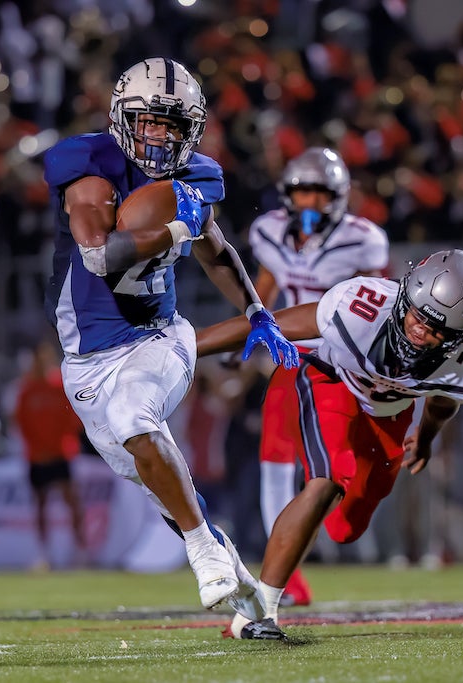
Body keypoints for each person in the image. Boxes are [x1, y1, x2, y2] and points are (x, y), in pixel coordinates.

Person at [42, 57, 298, 616]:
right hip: (85, 362)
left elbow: (216, 252)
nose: (160, 136)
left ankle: (203, 552)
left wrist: (257, 311)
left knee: (137, 418)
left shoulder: (198, 175)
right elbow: (100, 257)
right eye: (149, 121)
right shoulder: (88, 166)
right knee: (168, 490)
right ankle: (253, 604)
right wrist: (179, 224)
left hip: (158, 337)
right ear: (121, 118)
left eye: (173, 125)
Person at [198, 249, 463, 640]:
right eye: (417, 314)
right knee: (327, 480)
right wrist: (193, 345)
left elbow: (443, 399)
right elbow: (271, 324)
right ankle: (257, 612)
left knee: (347, 528)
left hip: (390, 415)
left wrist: (424, 439)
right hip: (332, 381)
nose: (420, 330)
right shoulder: (361, 307)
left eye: (437, 329)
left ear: (462, 335)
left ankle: (305, 546)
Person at [247, 146, 390, 605]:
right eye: (301, 192)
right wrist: (245, 337)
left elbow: (381, 299)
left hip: (340, 362)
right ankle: (283, 577)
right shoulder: (269, 231)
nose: (309, 203)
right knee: (275, 462)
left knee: (335, 472)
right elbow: (263, 288)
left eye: (319, 193)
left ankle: (338, 538)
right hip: (291, 358)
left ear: (338, 197)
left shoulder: (362, 239)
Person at [13, 340, 85, 570]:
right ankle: (44, 552)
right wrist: (38, 446)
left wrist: (59, 444)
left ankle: (79, 550)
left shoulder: (60, 386)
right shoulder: (27, 390)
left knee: (72, 501)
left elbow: (73, 420)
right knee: (40, 504)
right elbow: (22, 423)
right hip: (37, 456)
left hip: (61, 454)